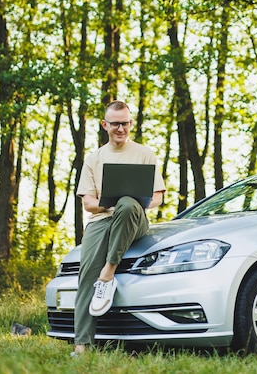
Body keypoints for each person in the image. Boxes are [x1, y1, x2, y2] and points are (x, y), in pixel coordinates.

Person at [72, 100, 166, 356]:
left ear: (131, 123)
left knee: (126, 203)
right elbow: (89, 203)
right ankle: (82, 344)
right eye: (115, 124)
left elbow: (157, 197)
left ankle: (108, 273)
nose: (121, 128)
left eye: (125, 123)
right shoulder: (94, 158)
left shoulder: (145, 154)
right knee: (86, 272)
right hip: (102, 219)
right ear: (105, 125)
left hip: (134, 217)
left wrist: (134, 200)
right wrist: (108, 204)